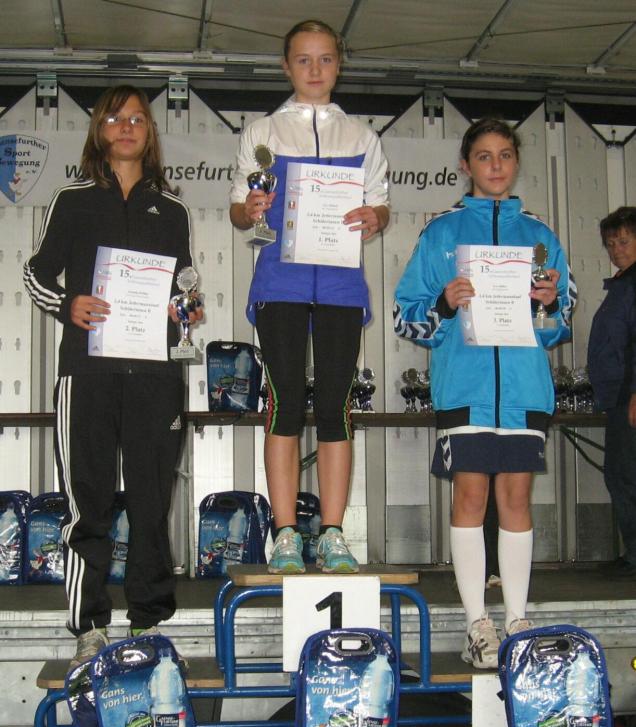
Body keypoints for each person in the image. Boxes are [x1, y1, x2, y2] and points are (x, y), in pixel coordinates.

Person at [24, 85, 203, 667]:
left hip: (155, 375)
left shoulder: (172, 209)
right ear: (99, 130)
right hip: (88, 374)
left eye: (138, 119)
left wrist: (187, 310)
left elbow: (183, 286)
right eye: (114, 118)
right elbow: (36, 273)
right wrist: (67, 303)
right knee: (89, 501)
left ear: (150, 133)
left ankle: (147, 622)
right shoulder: (71, 200)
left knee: (152, 502)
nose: (126, 127)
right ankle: (90, 626)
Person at [393, 118, 576, 668]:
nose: (496, 165)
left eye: (505, 155)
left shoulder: (541, 237)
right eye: (484, 156)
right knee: (470, 499)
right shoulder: (441, 233)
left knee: (516, 501)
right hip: (465, 388)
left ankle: (517, 619)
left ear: (516, 162)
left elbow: (560, 324)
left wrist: (549, 303)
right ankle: (477, 624)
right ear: (465, 165)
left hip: (524, 390)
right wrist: (444, 304)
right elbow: (406, 318)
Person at [229, 20, 389, 574]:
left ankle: (334, 532)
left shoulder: (362, 137)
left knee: (336, 406)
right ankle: (286, 534)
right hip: (281, 283)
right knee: (285, 403)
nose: (315, 69)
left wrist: (376, 216)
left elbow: (380, 202)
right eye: (303, 59)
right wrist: (248, 209)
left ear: (339, 65)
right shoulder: (262, 132)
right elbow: (238, 205)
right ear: (286, 66)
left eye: (325, 59)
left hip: (342, 284)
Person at [588, 206, 636, 580]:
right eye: (610, 243)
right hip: (617, 396)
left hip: (629, 395)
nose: (616, 249)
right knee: (621, 475)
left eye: (624, 241)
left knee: (625, 475)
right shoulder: (621, 284)